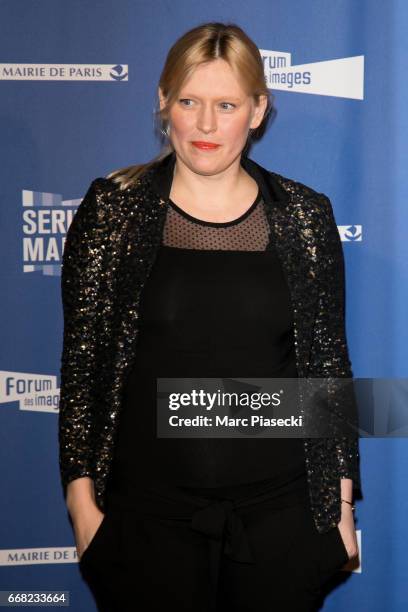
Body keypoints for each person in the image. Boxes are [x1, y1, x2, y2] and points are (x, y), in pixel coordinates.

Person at [58, 21, 361, 612]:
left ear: (257, 110)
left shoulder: (303, 216)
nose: (204, 125)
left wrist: (341, 509)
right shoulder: (113, 212)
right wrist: (83, 509)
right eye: (189, 101)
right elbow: (84, 365)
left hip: (282, 520)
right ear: (163, 102)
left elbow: (327, 365)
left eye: (225, 105)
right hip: (146, 525)